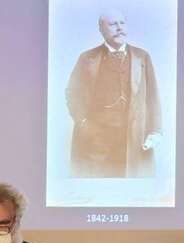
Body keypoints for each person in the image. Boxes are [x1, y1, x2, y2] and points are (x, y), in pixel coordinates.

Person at [66, 9, 162, 178]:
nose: (119, 28)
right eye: (112, 24)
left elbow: (153, 96)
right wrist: (83, 122)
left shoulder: (142, 57)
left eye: (122, 23)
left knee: (132, 183)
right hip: (97, 140)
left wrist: (155, 130)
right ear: (101, 28)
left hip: (133, 136)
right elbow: (73, 92)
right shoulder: (87, 58)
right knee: (97, 183)